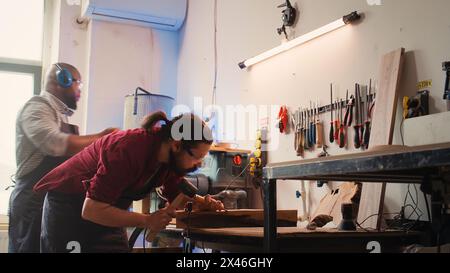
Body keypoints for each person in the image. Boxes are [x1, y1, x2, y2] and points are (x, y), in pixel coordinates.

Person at [33, 111, 224, 253]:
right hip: (70, 209)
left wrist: (201, 205)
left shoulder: (168, 162)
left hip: (105, 209)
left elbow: (176, 196)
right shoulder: (128, 149)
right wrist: (148, 220)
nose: (198, 165)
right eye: (196, 157)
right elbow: (90, 209)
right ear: (176, 145)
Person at [8, 63, 117, 253]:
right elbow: (54, 143)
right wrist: (101, 138)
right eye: (78, 84)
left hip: (50, 202)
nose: (80, 91)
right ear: (63, 79)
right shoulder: (36, 108)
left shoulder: (59, 115)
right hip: (32, 202)